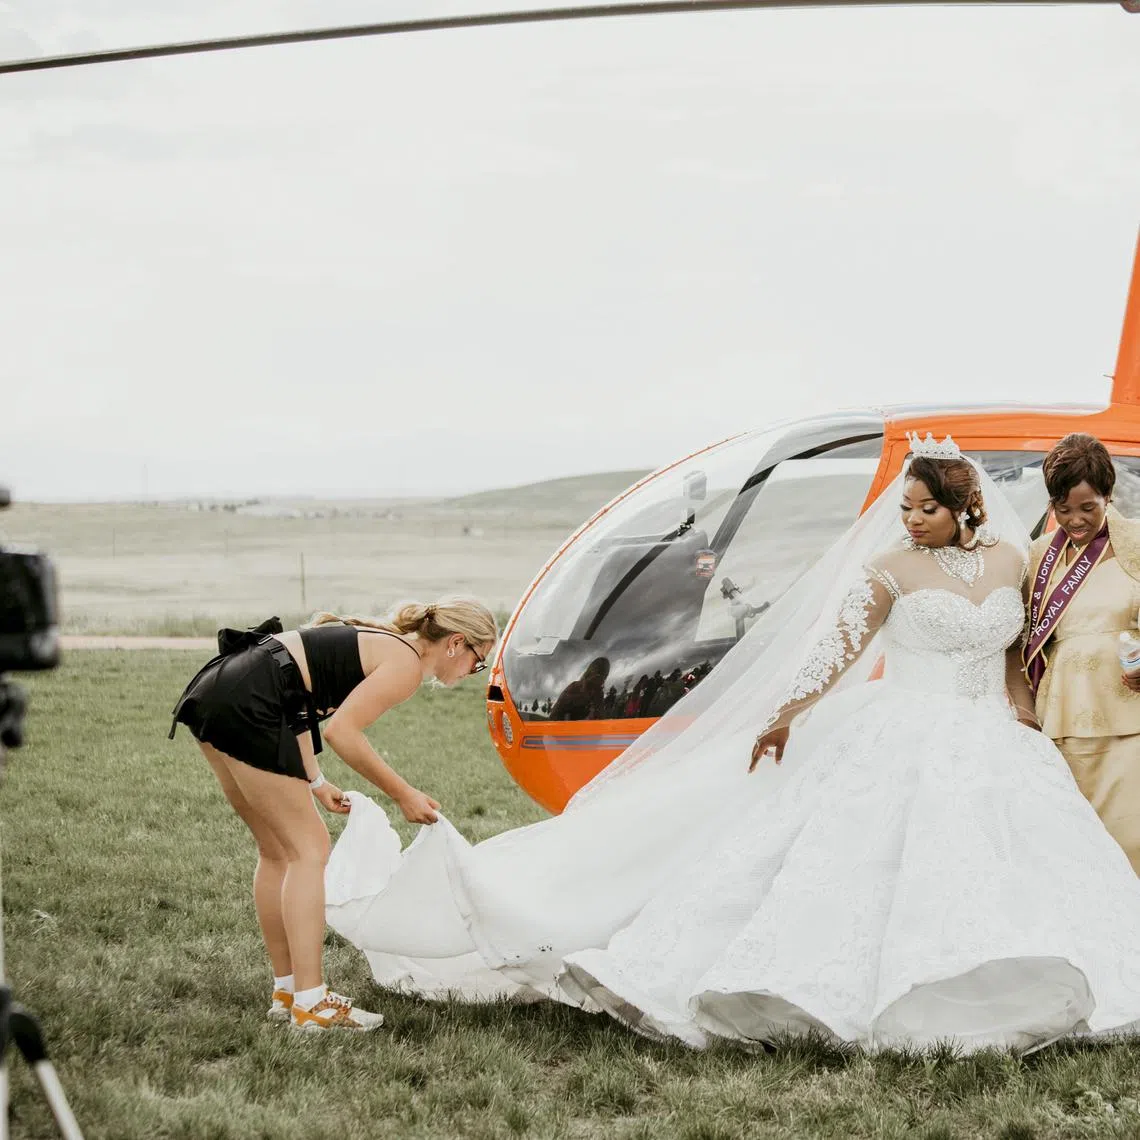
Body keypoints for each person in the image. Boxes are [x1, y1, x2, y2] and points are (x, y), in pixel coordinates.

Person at [325, 436, 1140, 1053]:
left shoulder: (1011, 559)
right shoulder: (890, 568)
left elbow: (1012, 648)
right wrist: (783, 714)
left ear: (965, 509)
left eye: (924, 508)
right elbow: (837, 652)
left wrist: (1022, 709)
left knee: (1008, 866)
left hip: (994, 738)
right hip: (902, 727)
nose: (910, 519)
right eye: (905, 508)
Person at [169, 597, 497, 1031]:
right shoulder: (405, 663)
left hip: (218, 690)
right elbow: (341, 732)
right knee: (309, 850)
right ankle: (312, 1003)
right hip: (249, 699)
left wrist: (316, 780)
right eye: (478, 661)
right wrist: (404, 794)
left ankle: (288, 992)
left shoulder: (389, 646)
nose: (474, 671)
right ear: (456, 643)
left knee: (277, 851)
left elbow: (296, 700)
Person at [1024, 433, 1140, 873]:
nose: (1074, 520)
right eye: (1063, 508)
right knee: (1075, 859)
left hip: (1127, 724)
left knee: (1129, 847)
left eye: (1087, 507)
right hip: (1060, 721)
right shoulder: (1038, 555)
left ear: (1108, 496)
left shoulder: (1136, 543)